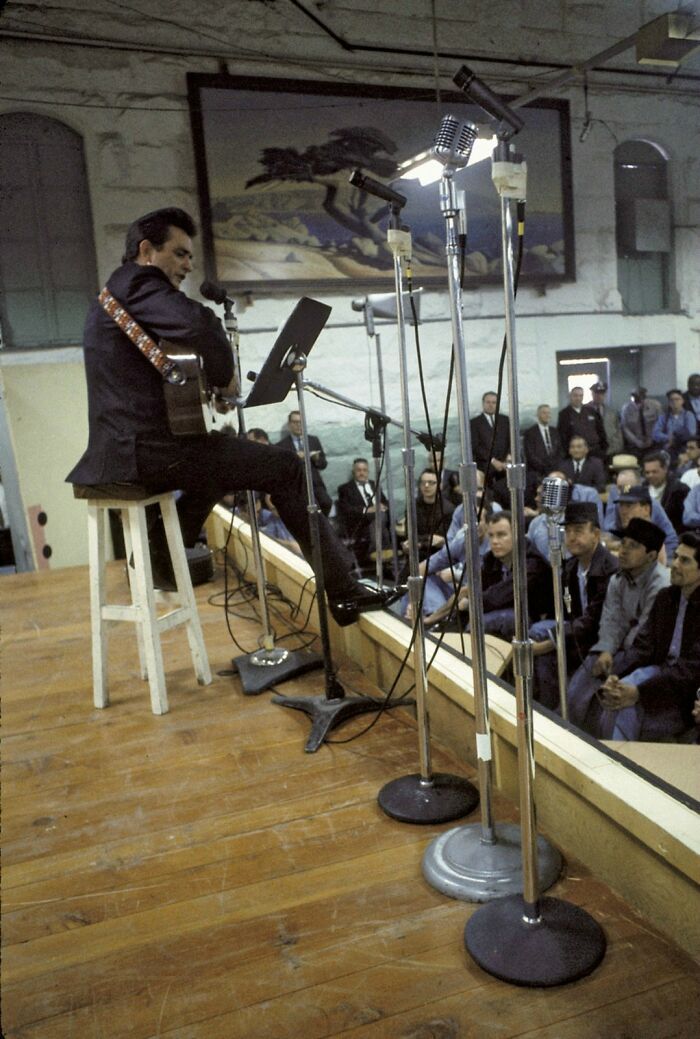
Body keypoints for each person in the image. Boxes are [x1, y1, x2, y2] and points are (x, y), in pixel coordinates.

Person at [66, 206, 395, 627]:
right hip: (142, 451)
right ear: (146, 250)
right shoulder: (138, 281)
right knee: (287, 469)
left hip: (129, 447)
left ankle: (159, 556)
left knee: (218, 461)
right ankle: (345, 594)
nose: (188, 265)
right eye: (180, 254)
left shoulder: (121, 293)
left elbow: (150, 373)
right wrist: (224, 379)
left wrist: (200, 386)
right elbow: (200, 325)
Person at [582, 533, 700, 741]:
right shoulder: (667, 597)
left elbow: (690, 671)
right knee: (616, 696)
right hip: (659, 674)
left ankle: (617, 760)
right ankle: (614, 757)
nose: (674, 564)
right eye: (675, 556)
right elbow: (643, 646)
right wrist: (616, 675)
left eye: (685, 560)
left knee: (624, 705)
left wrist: (639, 692)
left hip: (686, 691)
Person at [566, 518, 670, 733]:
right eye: (623, 544)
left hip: (645, 655)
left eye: (633, 547)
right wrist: (606, 649)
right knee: (575, 692)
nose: (623, 551)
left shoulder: (662, 585)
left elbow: (644, 634)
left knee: (606, 698)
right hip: (616, 649)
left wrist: (614, 656)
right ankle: (570, 737)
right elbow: (612, 619)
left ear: (651, 556)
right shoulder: (618, 579)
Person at [529, 501, 619, 709]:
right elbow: (558, 610)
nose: (571, 537)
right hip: (576, 635)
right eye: (567, 531)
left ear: (596, 534)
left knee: (545, 646)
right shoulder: (569, 567)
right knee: (538, 633)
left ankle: (560, 714)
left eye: (578, 530)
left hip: (599, 641)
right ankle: (546, 709)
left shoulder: (611, 570)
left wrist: (546, 644)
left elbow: (592, 621)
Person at [430, 511, 553, 640]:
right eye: (491, 535)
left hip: (534, 617)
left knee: (481, 621)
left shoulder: (532, 564)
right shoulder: (491, 559)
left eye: (501, 535)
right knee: (462, 614)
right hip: (502, 608)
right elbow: (478, 589)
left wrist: (470, 601)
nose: (494, 541)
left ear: (517, 535)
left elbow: (499, 595)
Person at [335, 457, 390, 566]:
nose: (362, 473)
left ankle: (376, 553)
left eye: (364, 470)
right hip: (360, 523)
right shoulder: (345, 488)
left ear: (368, 472)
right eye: (358, 470)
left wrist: (383, 506)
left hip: (379, 522)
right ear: (353, 472)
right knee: (379, 517)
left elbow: (385, 502)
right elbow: (346, 509)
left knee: (380, 516)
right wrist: (367, 510)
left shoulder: (374, 484)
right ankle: (386, 554)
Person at [603, 482, 677, 562]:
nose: (623, 512)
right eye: (621, 505)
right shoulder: (624, 527)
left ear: (646, 509)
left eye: (629, 506)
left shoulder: (657, 540)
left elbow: (671, 544)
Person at [277, 409, 332, 516]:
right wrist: (295, 458)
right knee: (301, 511)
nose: (298, 425)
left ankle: (322, 526)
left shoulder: (313, 440)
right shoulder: (282, 445)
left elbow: (323, 464)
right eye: (295, 422)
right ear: (289, 424)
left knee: (326, 502)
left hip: (315, 483)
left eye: (301, 422)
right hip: (296, 484)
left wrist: (316, 459)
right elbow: (282, 469)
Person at [642, 452, 689, 533]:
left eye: (654, 472)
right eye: (647, 472)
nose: (650, 475)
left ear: (665, 469)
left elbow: (684, 523)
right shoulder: (642, 488)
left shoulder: (680, 490)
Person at [470, 391, 510, 485]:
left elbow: (511, 440)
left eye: (494, 402)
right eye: (488, 402)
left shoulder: (505, 420)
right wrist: (493, 461)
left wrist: (508, 456)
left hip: (505, 462)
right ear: (483, 403)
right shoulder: (474, 423)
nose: (491, 405)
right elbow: (475, 446)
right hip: (486, 464)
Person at [557, 386, 607, 461]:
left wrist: (604, 448)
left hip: (595, 451)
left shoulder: (591, 411)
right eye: (575, 395)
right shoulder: (564, 414)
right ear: (570, 396)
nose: (578, 398)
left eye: (581, 396)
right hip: (576, 453)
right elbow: (562, 436)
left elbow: (601, 431)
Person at [651, 389, 697, 467]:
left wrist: (675, 439)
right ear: (669, 403)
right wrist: (669, 438)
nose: (674, 402)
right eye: (671, 400)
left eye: (677, 399)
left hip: (684, 449)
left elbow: (691, 433)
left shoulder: (688, 415)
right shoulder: (664, 417)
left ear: (682, 401)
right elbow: (655, 433)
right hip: (667, 449)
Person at [522, 404, 563, 487]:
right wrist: (546, 468)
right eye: (544, 413)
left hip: (555, 471)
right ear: (537, 415)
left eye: (548, 413)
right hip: (537, 472)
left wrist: (555, 467)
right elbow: (530, 455)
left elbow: (560, 451)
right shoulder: (530, 433)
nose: (547, 415)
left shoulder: (555, 431)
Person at [620, 387, 662, 461]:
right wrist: (636, 441)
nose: (639, 403)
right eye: (636, 400)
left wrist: (652, 438)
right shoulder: (626, 409)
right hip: (635, 444)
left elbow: (660, 423)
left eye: (641, 399)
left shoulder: (655, 406)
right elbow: (625, 428)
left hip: (654, 442)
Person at [589, 381, 624, 459]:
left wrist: (618, 446)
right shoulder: (585, 410)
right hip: (592, 451)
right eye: (597, 393)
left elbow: (618, 430)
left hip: (611, 449)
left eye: (602, 394)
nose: (599, 396)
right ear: (592, 394)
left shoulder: (612, 412)